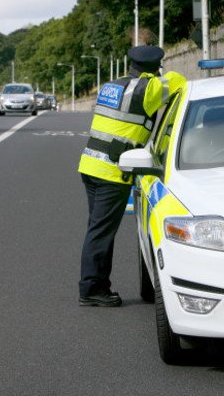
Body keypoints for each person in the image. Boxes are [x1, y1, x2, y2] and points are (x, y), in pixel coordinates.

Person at [77, 45, 186, 307]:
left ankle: (95, 286)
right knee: (101, 232)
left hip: (90, 165)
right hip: (112, 172)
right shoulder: (148, 90)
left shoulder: (111, 86)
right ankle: (92, 289)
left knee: (96, 229)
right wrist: (158, 76)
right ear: (154, 68)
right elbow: (180, 83)